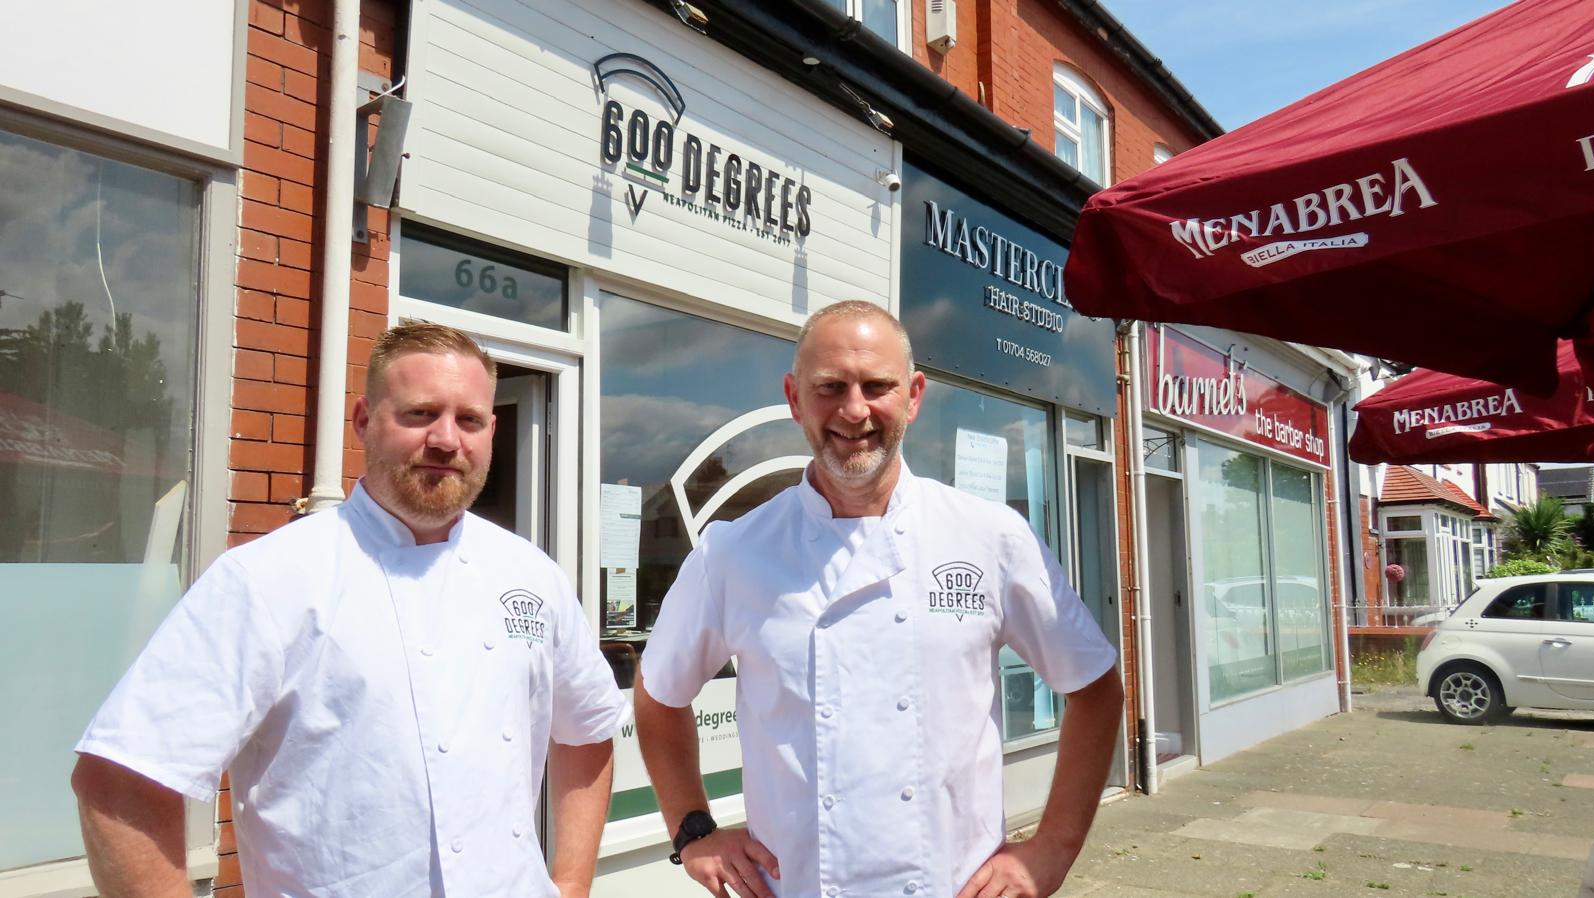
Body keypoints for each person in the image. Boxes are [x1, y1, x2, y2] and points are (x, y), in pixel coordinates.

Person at [71, 323, 627, 898]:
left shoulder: (530, 575)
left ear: (492, 430)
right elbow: (118, 782)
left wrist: (572, 881)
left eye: (469, 420)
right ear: (363, 420)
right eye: (419, 414)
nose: (445, 439)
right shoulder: (270, 580)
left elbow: (587, 728)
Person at [634, 301, 1124, 898]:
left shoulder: (989, 536)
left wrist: (1052, 847)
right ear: (794, 398)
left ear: (914, 396)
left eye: (877, 386)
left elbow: (1095, 687)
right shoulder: (731, 553)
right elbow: (658, 697)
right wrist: (692, 830)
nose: (854, 410)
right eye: (830, 387)